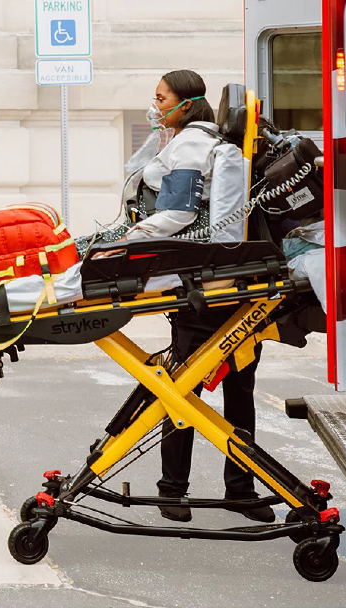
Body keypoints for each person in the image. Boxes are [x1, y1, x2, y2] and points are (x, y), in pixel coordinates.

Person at [124, 69, 275, 524]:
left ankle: (174, 490)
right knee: (239, 391)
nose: (154, 105)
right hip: (231, 284)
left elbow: (177, 212)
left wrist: (129, 240)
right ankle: (240, 490)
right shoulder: (203, 139)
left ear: (185, 103)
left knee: (181, 389)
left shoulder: (191, 144)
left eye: (159, 97)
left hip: (200, 289)